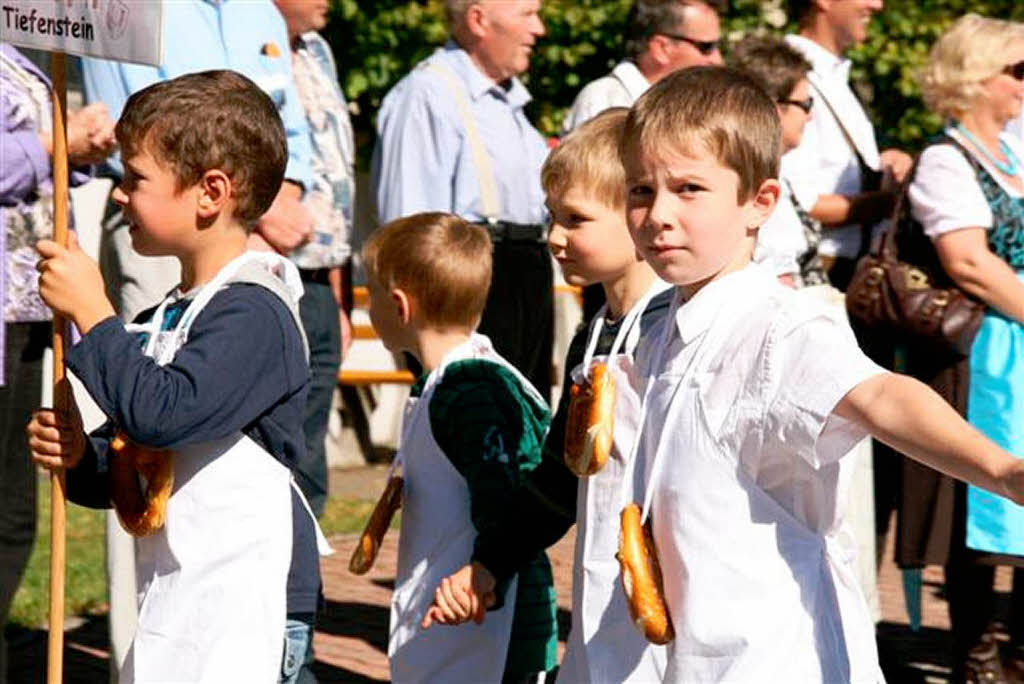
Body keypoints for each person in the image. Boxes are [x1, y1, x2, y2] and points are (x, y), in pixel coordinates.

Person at [620, 65, 1024, 682]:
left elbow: (882, 397)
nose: (658, 215)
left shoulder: (783, 326)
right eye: (641, 191)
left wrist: (1002, 470)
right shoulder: (657, 324)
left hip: (774, 655)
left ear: (760, 203)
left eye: (690, 189)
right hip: (690, 651)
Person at [25, 70, 325, 684]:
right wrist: (84, 456)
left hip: (246, 610)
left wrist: (91, 311)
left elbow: (167, 412)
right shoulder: (162, 317)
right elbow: (139, 458)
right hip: (177, 602)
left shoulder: (256, 311)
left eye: (136, 178)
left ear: (210, 192)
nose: (118, 194)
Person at [422, 108, 672, 682]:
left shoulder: (673, 330)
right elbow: (561, 474)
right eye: (551, 217)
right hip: (607, 593)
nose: (554, 238)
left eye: (576, 220)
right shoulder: (595, 334)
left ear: (638, 216)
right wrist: (490, 563)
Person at [362, 212, 558, 683]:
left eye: (370, 297)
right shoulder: (450, 381)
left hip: (487, 619)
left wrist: (483, 574)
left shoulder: (468, 390)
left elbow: (503, 494)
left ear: (399, 305)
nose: (369, 308)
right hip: (460, 609)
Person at [907, 14, 1024, 681]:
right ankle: (977, 658)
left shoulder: (1012, 153)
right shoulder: (948, 158)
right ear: (976, 77)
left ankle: (1018, 653)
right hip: (987, 352)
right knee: (981, 496)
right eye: (1018, 71)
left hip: (1019, 339)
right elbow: (969, 261)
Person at [1, 42, 115, 682]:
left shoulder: (23, 56)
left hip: (26, 314)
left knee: (16, 505)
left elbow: (41, 171)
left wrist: (79, 156)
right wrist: (52, 142)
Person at [371, 0, 554, 400]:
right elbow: (410, 227)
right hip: (471, 281)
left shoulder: (510, 101)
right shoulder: (427, 93)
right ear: (478, 20)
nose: (539, 29)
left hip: (526, 273)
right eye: (527, 14)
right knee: (472, 425)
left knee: (525, 430)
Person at [272, 0, 356, 520]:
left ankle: (305, 589)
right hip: (271, 268)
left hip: (323, 277)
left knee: (311, 441)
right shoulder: (245, 43)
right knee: (279, 438)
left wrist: (342, 298)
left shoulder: (320, 51)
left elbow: (338, 178)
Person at [783, 0, 912, 291]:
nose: (877, 5)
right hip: (820, 271)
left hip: (847, 268)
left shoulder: (834, 76)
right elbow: (799, 202)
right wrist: (889, 202)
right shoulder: (789, 77)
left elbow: (829, 172)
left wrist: (883, 163)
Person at [731, 36, 828, 288]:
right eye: (805, 104)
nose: (810, 116)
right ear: (773, 107)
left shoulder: (773, 170)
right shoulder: (750, 182)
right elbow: (780, 280)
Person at [562, 0, 724, 133]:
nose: (718, 60)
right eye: (706, 47)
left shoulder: (698, 105)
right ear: (661, 48)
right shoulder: (604, 102)